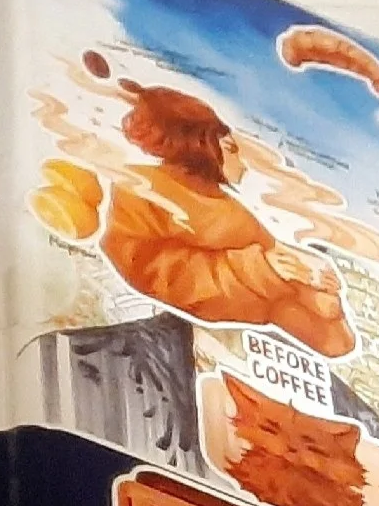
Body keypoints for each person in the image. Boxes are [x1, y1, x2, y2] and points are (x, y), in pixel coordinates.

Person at [93, 79, 355, 358]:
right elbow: (148, 269)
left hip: (247, 350)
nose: (243, 165)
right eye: (231, 149)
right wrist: (260, 269)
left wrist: (318, 288)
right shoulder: (139, 188)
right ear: (200, 145)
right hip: (172, 345)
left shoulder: (234, 211)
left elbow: (330, 339)